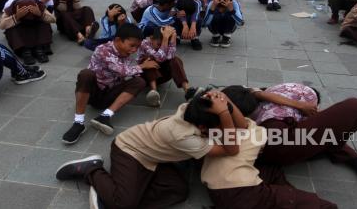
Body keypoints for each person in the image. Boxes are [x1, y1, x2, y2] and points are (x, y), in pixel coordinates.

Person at [56, 89, 244, 208]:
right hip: (129, 149)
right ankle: (92, 170)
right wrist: (224, 112)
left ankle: (121, 190)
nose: (226, 127)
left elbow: (242, 126)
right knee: (123, 203)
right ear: (204, 127)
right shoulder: (183, 135)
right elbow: (232, 150)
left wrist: (224, 98)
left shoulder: (194, 109)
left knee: (178, 192)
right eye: (221, 123)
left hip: (155, 156)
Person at [222, 84, 357, 188]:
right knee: (355, 106)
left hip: (266, 140)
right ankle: (354, 160)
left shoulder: (255, 91)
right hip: (278, 140)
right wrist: (302, 107)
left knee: (324, 133)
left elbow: (259, 93)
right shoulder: (302, 95)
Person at [201, 86, 337, 209]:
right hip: (242, 194)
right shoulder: (258, 132)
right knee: (327, 207)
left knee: (272, 172)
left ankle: (283, 197)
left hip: (214, 188)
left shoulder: (209, 129)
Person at [61, 24, 154, 144]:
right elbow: (123, 71)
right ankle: (78, 122)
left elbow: (131, 72)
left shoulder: (127, 56)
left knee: (139, 82)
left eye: (137, 47)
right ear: (118, 40)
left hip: (110, 93)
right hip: (93, 93)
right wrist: (142, 66)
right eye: (132, 45)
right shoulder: (103, 50)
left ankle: (105, 116)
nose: (134, 50)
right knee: (86, 74)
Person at [138, 26, 199, 106]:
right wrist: (165, 39)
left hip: (161, 75)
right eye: (159, 44)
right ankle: (154, 93)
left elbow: (171, 56)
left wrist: (172, 38)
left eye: (163, 44)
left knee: (175, 59)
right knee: (148, 60)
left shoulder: (167, 41)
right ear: (151, 38)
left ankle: (188, 91)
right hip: (145, 77)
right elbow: (159, 57)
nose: (161, 46)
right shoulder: (144, 43)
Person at [0, 0, 55, 65]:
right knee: (10, 28)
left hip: (35, 28)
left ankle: (39, 49)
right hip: (21, 29)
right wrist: (16, 17)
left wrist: (40, 14)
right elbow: (1, 25)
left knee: (44, 23)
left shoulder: (36, 4)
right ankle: (25, 52)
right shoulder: (12, 6)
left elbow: (53, 19)